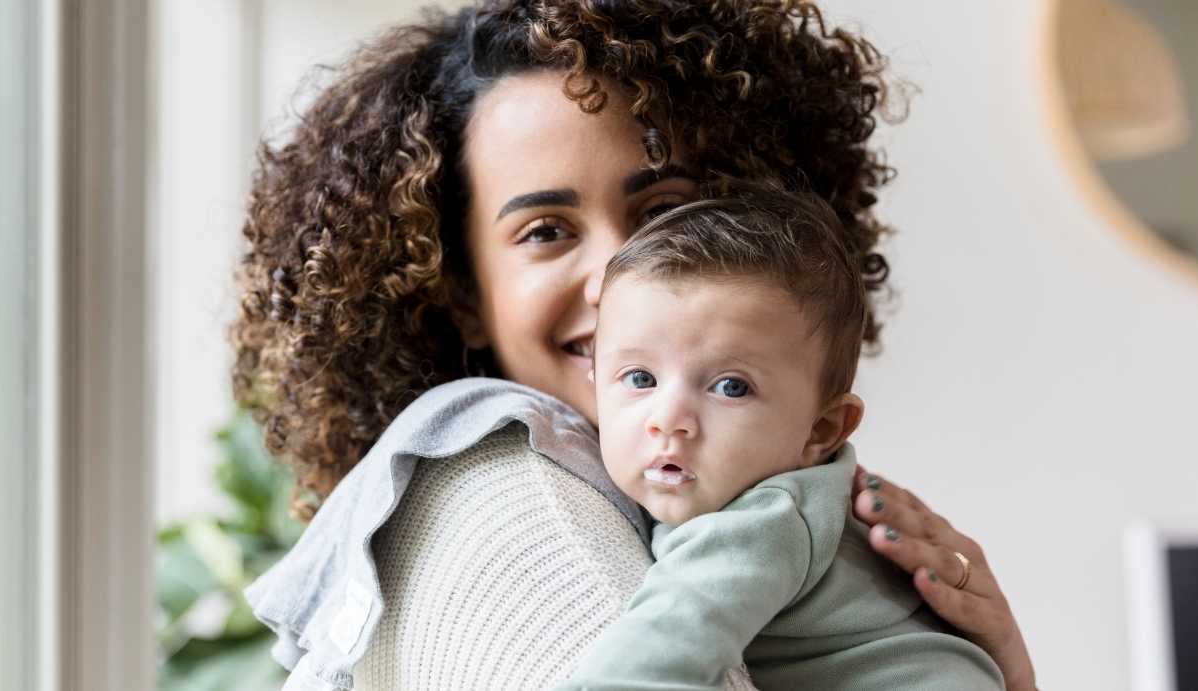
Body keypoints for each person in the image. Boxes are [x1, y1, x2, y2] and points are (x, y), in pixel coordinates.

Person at [233, 1, 1037, 689]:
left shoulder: (749, 491)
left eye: (662, 216)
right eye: (546, 231)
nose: (618, 276)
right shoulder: (515, 492)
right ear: (463, 293)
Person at [554, 188, 1003, 689]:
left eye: (731, 387)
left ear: (822, 430)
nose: (669, 419)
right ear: (596, 383)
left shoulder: (761, 522)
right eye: (640, 378)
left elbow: (642, 669)